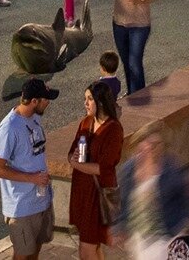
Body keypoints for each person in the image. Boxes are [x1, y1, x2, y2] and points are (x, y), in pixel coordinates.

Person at [0, 78, 56, 260]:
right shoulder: (9, 128)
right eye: (46, 99)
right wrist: (32, 178)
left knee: (35, 251)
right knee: (22, 255)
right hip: (22, 207)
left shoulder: (33, 118)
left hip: (41, 200)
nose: (48, 102)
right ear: (34, 101)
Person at [68, 80, 124, 260]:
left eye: (89, 99)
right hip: (82, 193)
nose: (85, 103)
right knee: (93, 247)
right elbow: (70, 153)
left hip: (97, 194)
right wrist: (74, 157)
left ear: (100, 102)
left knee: (86, 251)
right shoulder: (86, 123)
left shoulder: (114, 129)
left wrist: (77, 165)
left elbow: (104, 168)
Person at [124, 134, 189, 260]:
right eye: (143, 149)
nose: (148, 151)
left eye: (152, 146)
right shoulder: (129, 171)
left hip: (164, 238)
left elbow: (180, 203)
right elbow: (126, 204)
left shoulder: (170, 172)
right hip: (142, 238)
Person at [104, 0, 158, 92]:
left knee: (134, 61)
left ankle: (139, 94)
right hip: (119, 23)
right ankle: (131, 92)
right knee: (126, 61)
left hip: (139, 25)